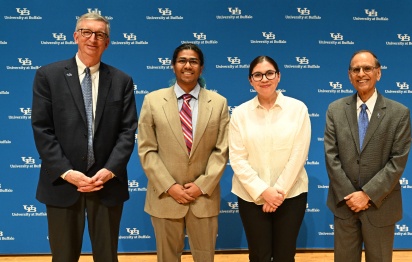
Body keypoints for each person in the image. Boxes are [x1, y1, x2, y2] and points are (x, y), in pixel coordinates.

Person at [31, 13, 137, 262]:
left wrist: (110, 170)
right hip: (62, 183)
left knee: (107, 257)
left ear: (107, 42)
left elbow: (127, 131)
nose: (93, 39)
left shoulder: (122, 81)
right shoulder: (49, 76)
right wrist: (68, 172)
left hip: (106, 183)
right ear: (75, 36)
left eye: (100, 34)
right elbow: (42, 128)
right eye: (87, 32)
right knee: (64, 257)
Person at [137, 43, 229, 262]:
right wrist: (170, 186)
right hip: (166, 196)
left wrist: (201, 186)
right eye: (182, 60)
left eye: (193, 61)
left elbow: (221, 150)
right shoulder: (152, 101)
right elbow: (147, 149)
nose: (188, 65)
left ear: (201, 67)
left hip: (203, 198)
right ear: (173, 66)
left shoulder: (218, 103)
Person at [324, 50, 412, 262]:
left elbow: (397, 161)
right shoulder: (335, 110)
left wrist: (367, 195)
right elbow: (331, 156)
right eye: (356, 69)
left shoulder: (399, 113)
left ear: (378, 73)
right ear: (349, 75)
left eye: (367, 68)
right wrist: (351, 196)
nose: (361, 73)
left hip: (380, 206)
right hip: (344, 205)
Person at [229, 55, 311, 262]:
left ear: (278, 76)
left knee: (285, 255)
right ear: (250, 80)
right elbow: (237, 159)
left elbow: (299, 154)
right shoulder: (239, 114)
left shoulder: (298, 109)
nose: (264, 79)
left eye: (269, 73)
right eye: (257, 75)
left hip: (291, 195)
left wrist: (277, 194)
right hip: (251, 197)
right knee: (259, 256)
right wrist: (264, 191)